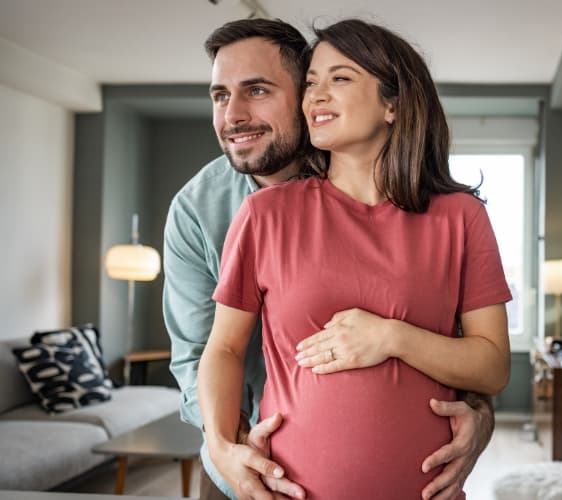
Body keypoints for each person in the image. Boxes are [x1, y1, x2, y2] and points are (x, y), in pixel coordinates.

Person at [164, 18, 497, 500]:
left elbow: (470, 347)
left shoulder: (449, 214)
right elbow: (205, 351)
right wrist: (226, 448)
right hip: (250, 468)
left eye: (256, 90)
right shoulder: (204, 210)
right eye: (219, 96)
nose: (233, 114)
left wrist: (480, 416)